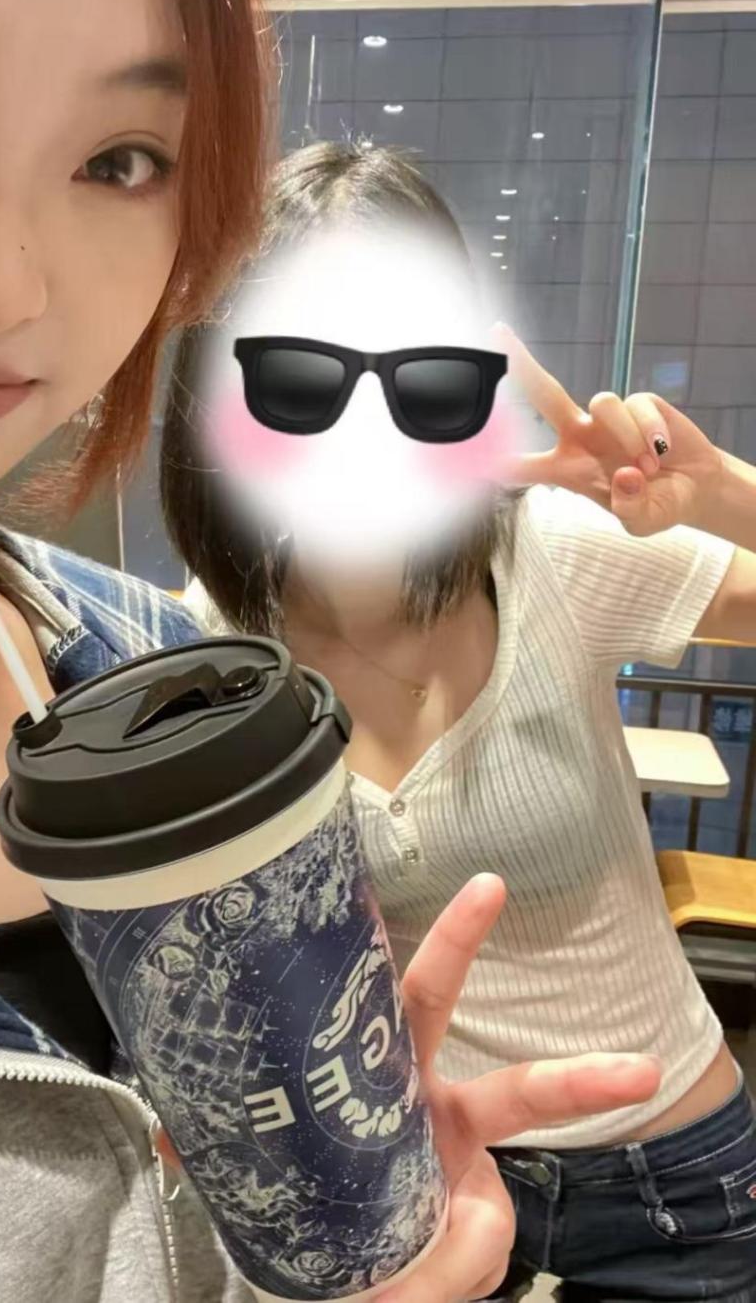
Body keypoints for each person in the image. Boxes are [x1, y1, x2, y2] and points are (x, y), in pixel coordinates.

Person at [0, 0, 665, 1301]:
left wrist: (351, 1251)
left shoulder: (158, 676)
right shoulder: (212, 623)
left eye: (119, 158)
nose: (0, 286)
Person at [162, 140, 756, 1302]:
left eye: (418, 375)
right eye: (299, 374)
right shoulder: (206, 649)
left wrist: (722, 493)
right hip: (415, 1186)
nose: (361, 423)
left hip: (673, 1184)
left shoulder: (552, 553)